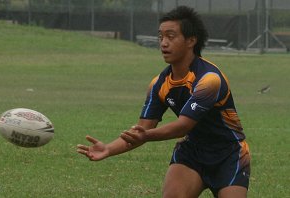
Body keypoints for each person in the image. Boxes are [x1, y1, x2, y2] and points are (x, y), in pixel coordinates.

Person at [77, 6, 251, 198]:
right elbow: (141, 129)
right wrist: (108, 148)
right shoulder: (158, 84)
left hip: (229, 154)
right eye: (161, 37)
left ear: (191, 40)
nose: (163, 43)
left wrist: (146, 136)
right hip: (192, 153)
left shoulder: (209, 80)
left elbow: (182, 126)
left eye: (171, 36)